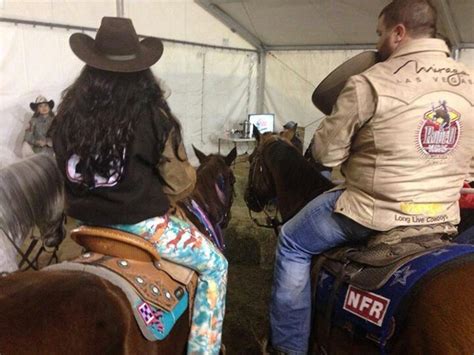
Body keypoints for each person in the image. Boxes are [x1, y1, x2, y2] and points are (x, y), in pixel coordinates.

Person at [269, 1, 474, 354]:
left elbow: (325, 154)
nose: (378, 43)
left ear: (398, 33)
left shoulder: (370, 82)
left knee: (292, 242)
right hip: (442, 215)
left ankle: (288, 348)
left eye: (380, 34)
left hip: (373, 213)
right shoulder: (470, 81)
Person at [50, 17, 227, 355]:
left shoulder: (66, 115)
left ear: (90, 69)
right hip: (143, 227)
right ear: (141, 70)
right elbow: (180, 185)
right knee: (217, 266)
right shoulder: (152, 114)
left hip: (80, 227)